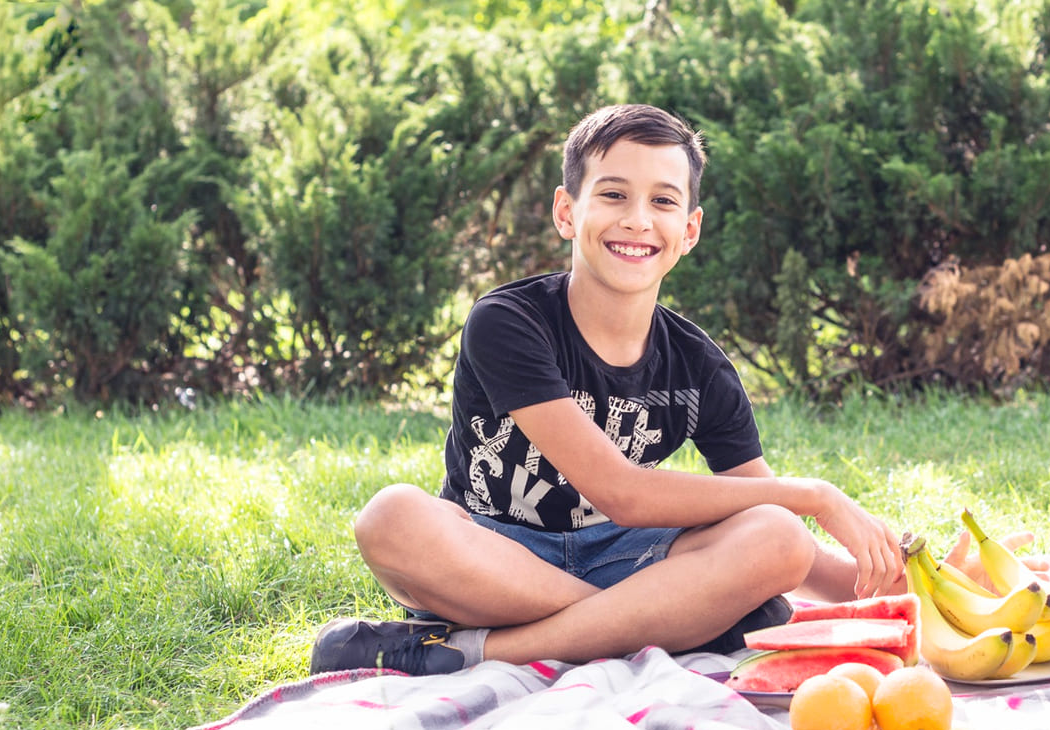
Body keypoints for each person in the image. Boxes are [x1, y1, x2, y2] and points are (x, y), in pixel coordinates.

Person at [309, 104, 906, 676]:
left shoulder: (699, 367)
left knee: (778, 538)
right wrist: (818, 497)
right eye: (614, 194)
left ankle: (475, 653)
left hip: (630, 559)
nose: (637, 220)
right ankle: (656, 623)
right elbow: (622, 492)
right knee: (391, 516)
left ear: (689, 229)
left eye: (663, 201)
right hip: (496, 555)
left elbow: (772, 530)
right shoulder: (508, 322)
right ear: (567, 212)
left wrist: (900, 577)